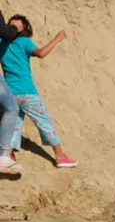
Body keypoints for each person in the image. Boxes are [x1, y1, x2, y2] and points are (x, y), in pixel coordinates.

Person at [0, 16, 75, 168]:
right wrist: (57, 39)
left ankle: (7, 155)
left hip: (9, 91)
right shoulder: (24, 42)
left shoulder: (2, 43)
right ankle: (60, 156)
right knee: (44, 121)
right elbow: (41, 53)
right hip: (27, 91)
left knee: (15, 123)